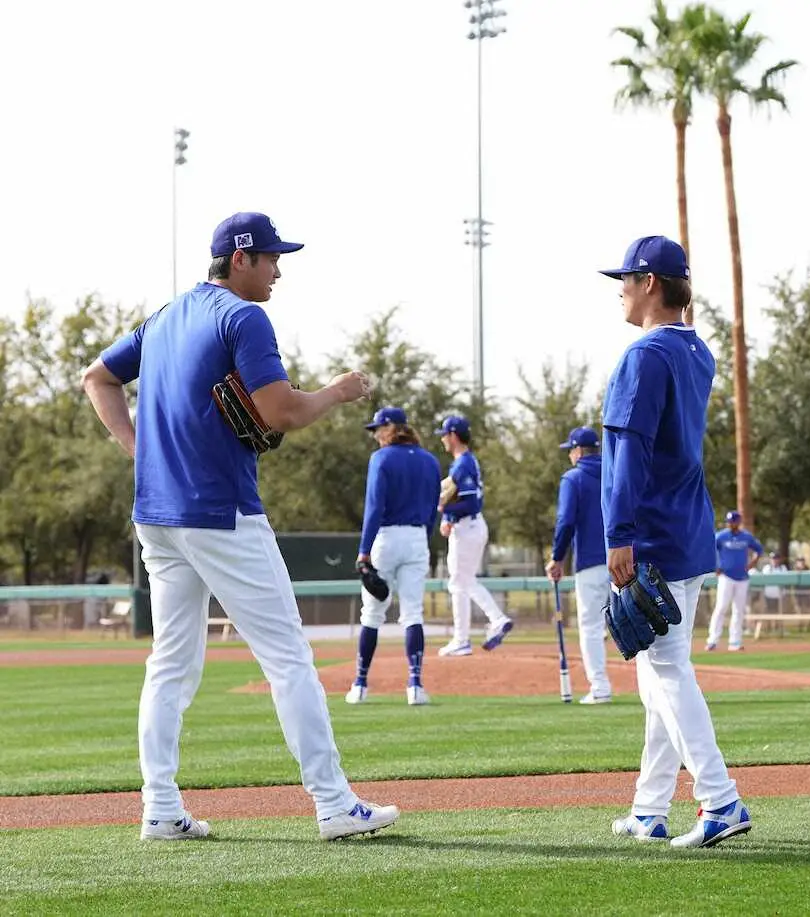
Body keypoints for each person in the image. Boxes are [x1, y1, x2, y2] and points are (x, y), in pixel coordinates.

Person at [81, 211, 397, 842]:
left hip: (157, 515)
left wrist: (140, 449)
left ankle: (161, 808)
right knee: (288, 658)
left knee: (169, 663)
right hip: (220, 510)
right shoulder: (243, 316)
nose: (279, 269)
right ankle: (333, 804)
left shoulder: (167, 315)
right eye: (273, 258)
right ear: (241, 258)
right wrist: (337, 392)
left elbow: (98, 375)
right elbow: (280, 411)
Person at [599, 234, 750, 849]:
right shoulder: (698, 352)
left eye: (628, 279)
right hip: (688, 527)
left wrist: (619, 533)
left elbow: (628, 452)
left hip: (653, 531)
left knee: (666, 672)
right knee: (660, 674)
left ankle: (720, 799)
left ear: (652, 285)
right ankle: (649, 808)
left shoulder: (645, 356)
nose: (622, 289)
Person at [345, 406, 442, 707]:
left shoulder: (381, 459)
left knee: (372, 614)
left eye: (377, 430)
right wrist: (422, 540)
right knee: (413, 613)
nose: (375, 436)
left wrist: (364, 550)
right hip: (416, 538)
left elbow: (374, 507)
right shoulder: (430, 460)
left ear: (389, 428)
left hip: (386, 538)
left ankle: (360, 685)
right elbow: (432, 507)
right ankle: (415, 685)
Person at [435, 415, 513, 656]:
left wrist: (444, 509)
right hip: (469, 527)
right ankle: (466, 636)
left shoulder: (462, 464)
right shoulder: (465, 461)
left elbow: (470, 503)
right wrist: (449, 518)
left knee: (460, 582)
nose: (442, 439)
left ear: (454, 436)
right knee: (461, 582)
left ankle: (482, 627)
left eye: (445, 434)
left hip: (468, 527)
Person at [546, 426, 613, 704]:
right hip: (627, 559)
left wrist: (557, 557)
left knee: (590, 626)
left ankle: (600, 687)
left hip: (590, 562)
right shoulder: (616, 472)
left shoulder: (572, 478)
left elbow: (565, 522)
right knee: (637, 621)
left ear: (577, 451)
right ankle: (656, 689)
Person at [705, 511, 763, 651]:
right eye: (729, 521)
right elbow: (709, 549)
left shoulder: (746, 537)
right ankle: (713, 640)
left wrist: (752, 563)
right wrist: (716, 566)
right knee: (721, 608)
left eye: (733, 521)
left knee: (738, 610)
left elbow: (759, 550)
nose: (730, 524)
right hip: (726, 577)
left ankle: (735, 642)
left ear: (738, 522)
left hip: (742, 578)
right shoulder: (721, 536)